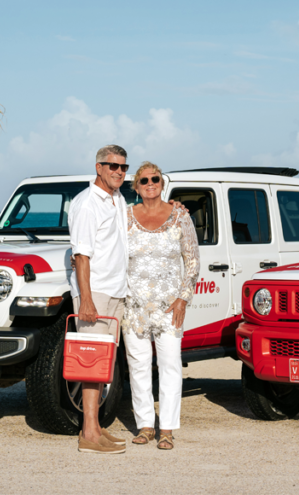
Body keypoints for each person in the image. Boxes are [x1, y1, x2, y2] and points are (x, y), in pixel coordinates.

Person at [123, 161, 199, 450]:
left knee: (169, 366)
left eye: (155, 178)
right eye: (144, 180)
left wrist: (183, 299)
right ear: (137, 187)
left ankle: (166, 428)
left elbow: (192, 261)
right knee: (138, 366)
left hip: (170, 307)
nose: (150, 183)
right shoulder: (126, 216)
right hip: (135, 305)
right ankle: (145, 425)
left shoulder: (180, 215)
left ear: (162, 182)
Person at [68, 144, 131, 454]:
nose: (118, 171)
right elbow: (81, 256)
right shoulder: (87, 204)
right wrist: (86, 300)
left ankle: (95, 426)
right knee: (90, 362)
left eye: (123, 167)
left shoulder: (118, 200)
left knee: (103, 363)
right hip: (97, 293)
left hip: (116, 291)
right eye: (112, 166)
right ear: (99, 167)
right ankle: (88, 433)